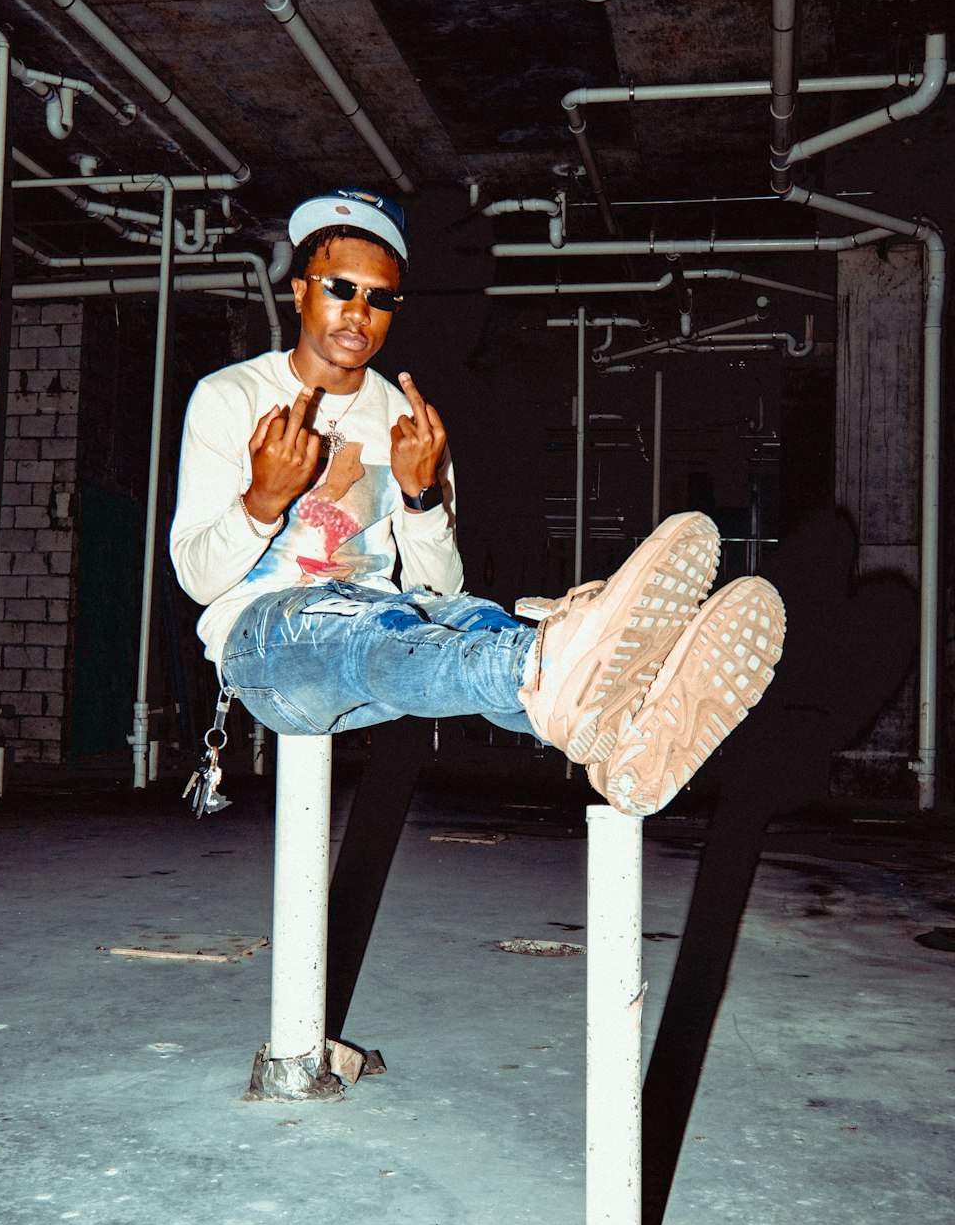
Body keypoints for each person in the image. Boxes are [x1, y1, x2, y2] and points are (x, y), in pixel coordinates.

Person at [170, 187, 785, 816]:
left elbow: (439, 589)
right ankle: (566, 663)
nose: (359, 312)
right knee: (379, 633)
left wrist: (420, 496)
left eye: (380, 298)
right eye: (340, 288)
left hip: (392, 640)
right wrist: (262, 501)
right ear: (300, 290)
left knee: (469, 622)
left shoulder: (407, 421)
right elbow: (196, 579)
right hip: (265, 646)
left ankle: (631, 732)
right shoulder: (230, 397)